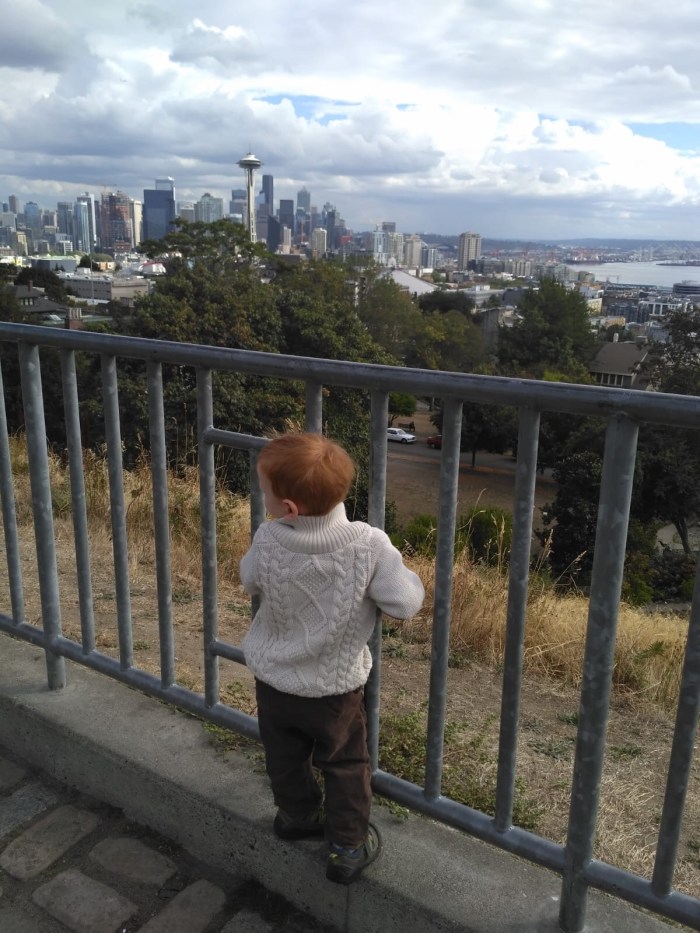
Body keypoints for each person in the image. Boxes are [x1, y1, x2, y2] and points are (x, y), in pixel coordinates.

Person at [240, 432, 425, 885]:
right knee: (344, 765)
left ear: (289, 508)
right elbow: (405, 604)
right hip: (334, 690)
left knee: (284, 756)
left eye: (264, 491)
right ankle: (346, 847)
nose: (262, 498)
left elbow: (249, 580)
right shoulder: (369, 544)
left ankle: (296, 816)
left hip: (274, 682)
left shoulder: (269, 537)